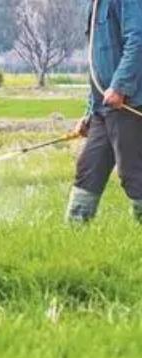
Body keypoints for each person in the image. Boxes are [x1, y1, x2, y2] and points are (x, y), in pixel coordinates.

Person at [67, 0, 142, 223]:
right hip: (103, 108)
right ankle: (74, 234)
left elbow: (137, 40)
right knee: (89, 168)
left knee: (133, 172)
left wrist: (120, 87)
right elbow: (97, 63)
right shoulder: (95, 4)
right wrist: (89, 113)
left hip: (128, 103)